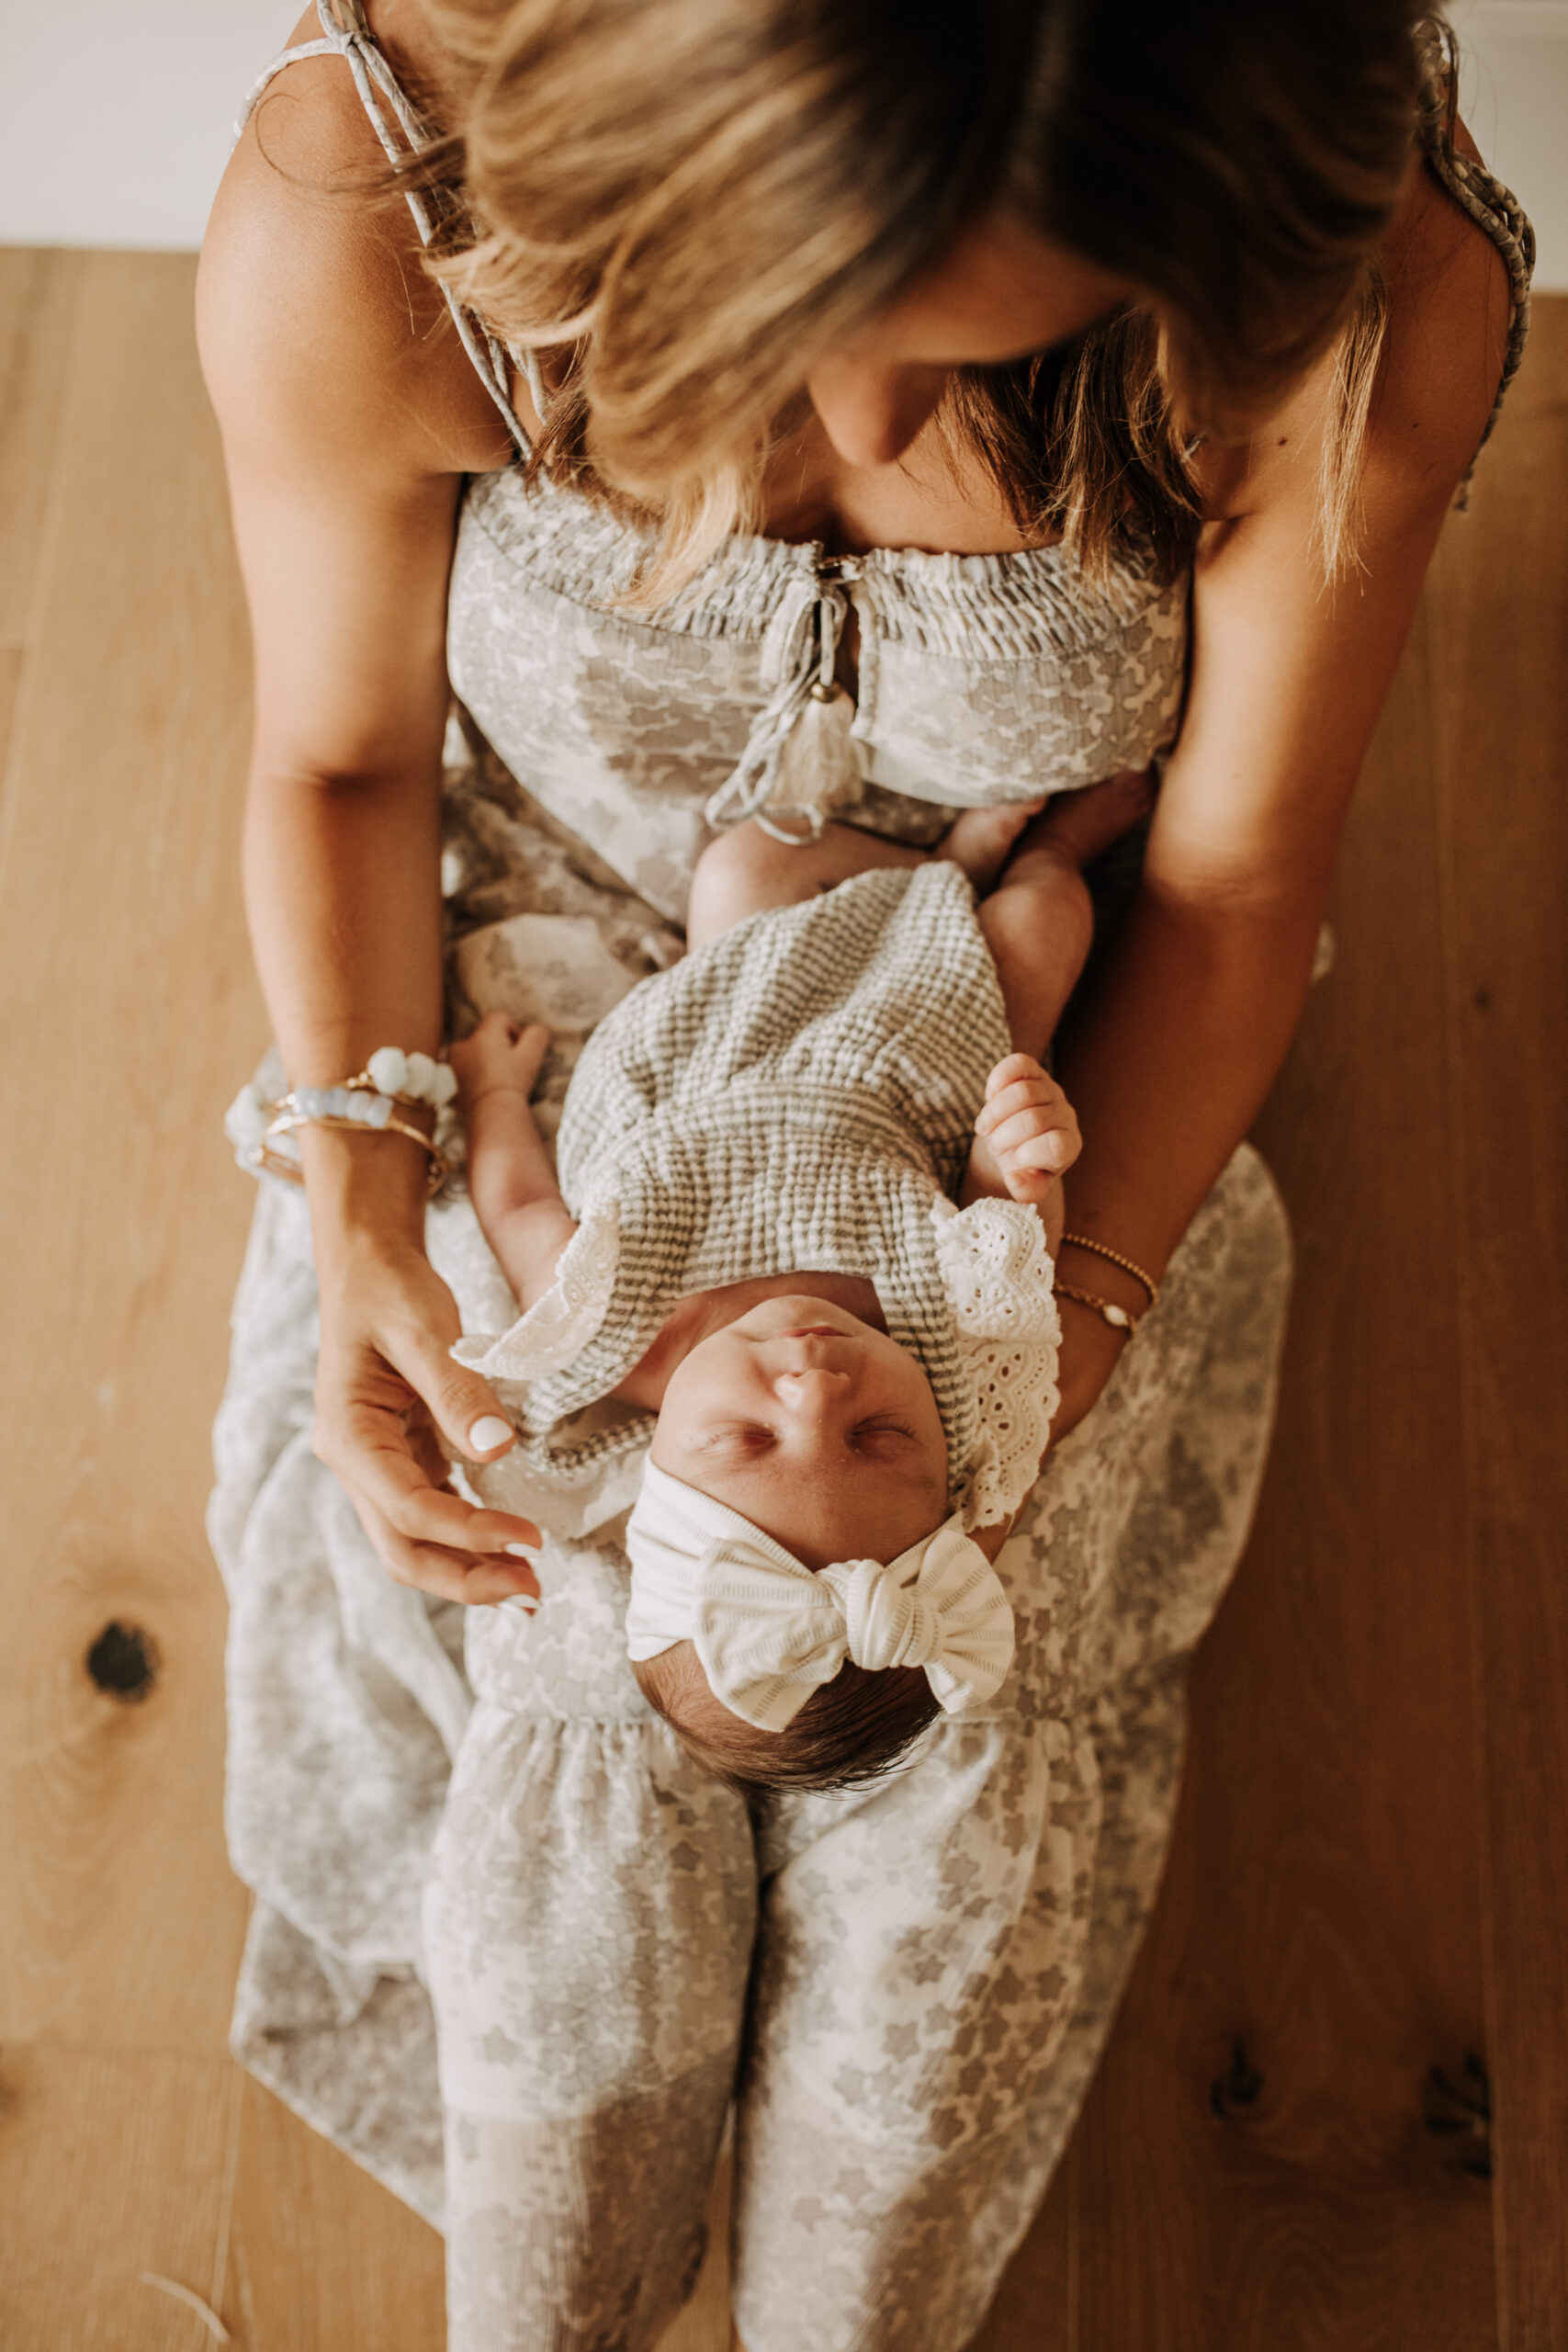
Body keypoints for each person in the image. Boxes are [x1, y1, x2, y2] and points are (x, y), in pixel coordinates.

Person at [197, 2, 1531, 2346]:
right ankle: (556, 2296)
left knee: (950, 1756)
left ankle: (852, 2306)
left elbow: (1220, 901)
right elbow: (333, 758)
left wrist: (1056, 1327)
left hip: (1027, 1064)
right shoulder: (370, 209)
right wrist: (360, 1215)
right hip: (540, 1000)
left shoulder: (1338, 282)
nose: (889, 432)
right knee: (549, 1683)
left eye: (993, 345)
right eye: (810, 319)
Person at [449, 781, 1146, 1791]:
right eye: (880, 1438)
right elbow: (1002, 1247)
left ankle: (946, 862)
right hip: (918, 1061)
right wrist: (1020, 1165)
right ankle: (1039, 851)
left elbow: (515, 1202)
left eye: (748, 1440)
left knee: (742, 865)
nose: (819, 1392)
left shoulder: (613, 1332)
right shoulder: (954, 1360)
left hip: (727, 1026)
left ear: (660, 1482)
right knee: (1043, 926)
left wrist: (493, 1093)